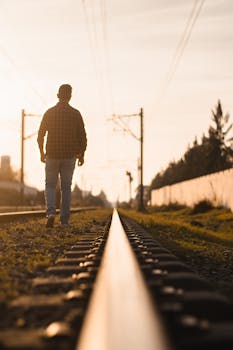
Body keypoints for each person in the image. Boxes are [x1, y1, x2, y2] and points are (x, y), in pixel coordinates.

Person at [37, 84, 87, 228]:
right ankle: (64, 221)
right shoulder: (76, 114)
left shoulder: (49, 112)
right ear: (70, 97)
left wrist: (41, 152)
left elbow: (40, 135)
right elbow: (83, 136)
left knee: (50, 185)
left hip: (52, 154)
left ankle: (51, 213)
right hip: (69, 156)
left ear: (58, 95)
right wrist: (82, 154)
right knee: (66, 187)